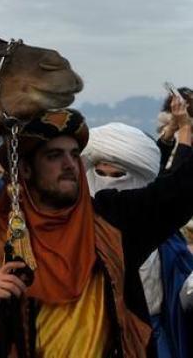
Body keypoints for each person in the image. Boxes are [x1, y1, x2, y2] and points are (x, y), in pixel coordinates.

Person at [0, 106, 193, 357]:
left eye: (74, 154)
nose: (69, 164)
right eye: (54, 155)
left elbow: (178, 192)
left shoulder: (112, 222)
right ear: (25, 169)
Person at [83, 121, 193, 358]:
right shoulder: (78, 235)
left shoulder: (167, 240)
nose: (108, 182)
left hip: (158, 336)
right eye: (101, 173)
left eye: (118, 175)